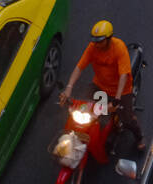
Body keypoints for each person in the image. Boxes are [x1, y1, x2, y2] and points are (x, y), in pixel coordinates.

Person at [59, 20, 144, 152]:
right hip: (99, 85)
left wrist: (116, 99)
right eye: (95, 40)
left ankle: (139, 138)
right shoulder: (92, 47)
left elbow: (123, 76)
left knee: (128, 119)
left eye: (100, 41)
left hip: (121, 90)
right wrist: (69, 88)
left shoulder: (119, 48)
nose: (96, 44)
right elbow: (79, 67)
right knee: (82, 106)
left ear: (109, 39)